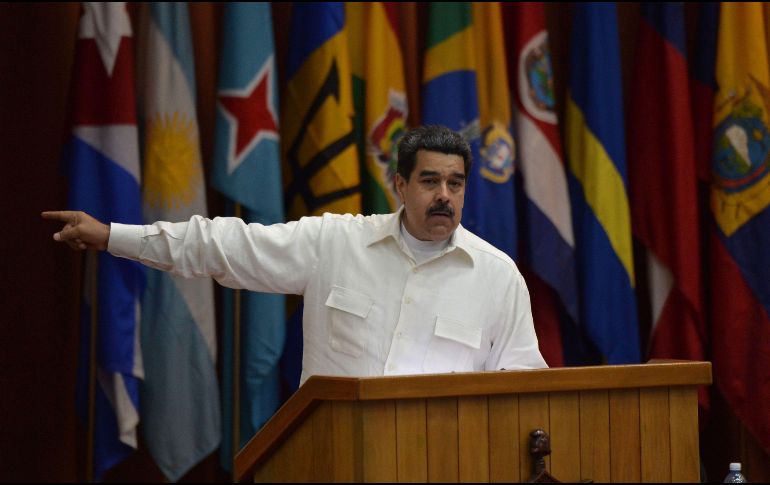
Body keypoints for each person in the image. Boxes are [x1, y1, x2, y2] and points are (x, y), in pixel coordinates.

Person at [43, 124, 547, 385]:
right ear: (399, 184)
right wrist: (112, 236)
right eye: (430, 181)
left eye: (455, 184)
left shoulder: (497, 277)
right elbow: (223, 245)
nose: (444, 195)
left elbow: (524, 388)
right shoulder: (335, 243)